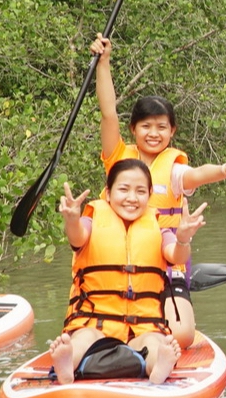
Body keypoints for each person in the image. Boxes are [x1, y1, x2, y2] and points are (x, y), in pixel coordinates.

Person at [91, 35, 226, 348]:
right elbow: (108, 113)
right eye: (146, 126)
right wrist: (104, 64)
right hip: (119, 261)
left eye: (162, 127)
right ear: (134, 129)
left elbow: (196, 175)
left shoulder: (174, 169)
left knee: (182, 336)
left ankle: (157, 329)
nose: (154, 133)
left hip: (166, 258)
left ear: (172, 131)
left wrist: (225, 169)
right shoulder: (118, 158)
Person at [49, 159, 203, 385]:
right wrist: (72, 219)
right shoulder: (91, 221)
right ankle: (66, 363)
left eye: (140, 191)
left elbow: (176, 256)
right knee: (83, 338)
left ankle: (158, 367)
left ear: (149, 195)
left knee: (153, 342)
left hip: (142, 328)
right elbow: (77, 237)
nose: (132, 198)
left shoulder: (159, 228)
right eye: (124, 189)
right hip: (94, 323)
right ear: (108, 194)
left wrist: (183, 239)